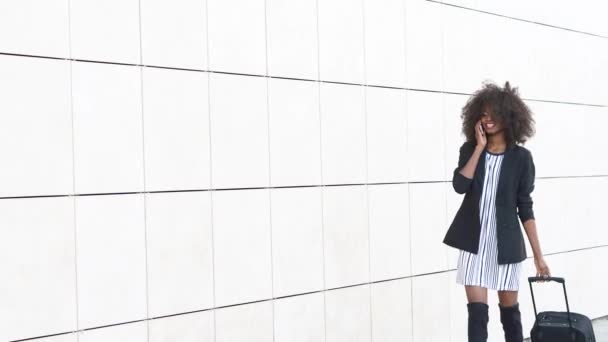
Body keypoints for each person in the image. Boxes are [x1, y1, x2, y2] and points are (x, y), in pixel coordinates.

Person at [443, 81, 551, 342]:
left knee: (509, 314)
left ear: (509, 117)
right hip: (473, 245)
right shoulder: (470, 150)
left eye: (494, 113)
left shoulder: (521, 159)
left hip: (506, 246)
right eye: (484, 113)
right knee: (477, 315)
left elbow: (525, 208)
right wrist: (479, 148)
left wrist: (538, 256)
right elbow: (460, 185)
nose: (488, 118)